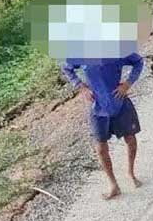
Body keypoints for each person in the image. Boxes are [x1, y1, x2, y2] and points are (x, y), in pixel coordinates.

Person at [62, 54, 144, 200]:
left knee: (130, 139)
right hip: (97, 107)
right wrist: (81, 87)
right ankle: (113, 184)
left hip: (119, 103)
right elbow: (67, 67)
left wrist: (127, 83)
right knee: (100, 148)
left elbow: (138, 61)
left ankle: (131, 173)